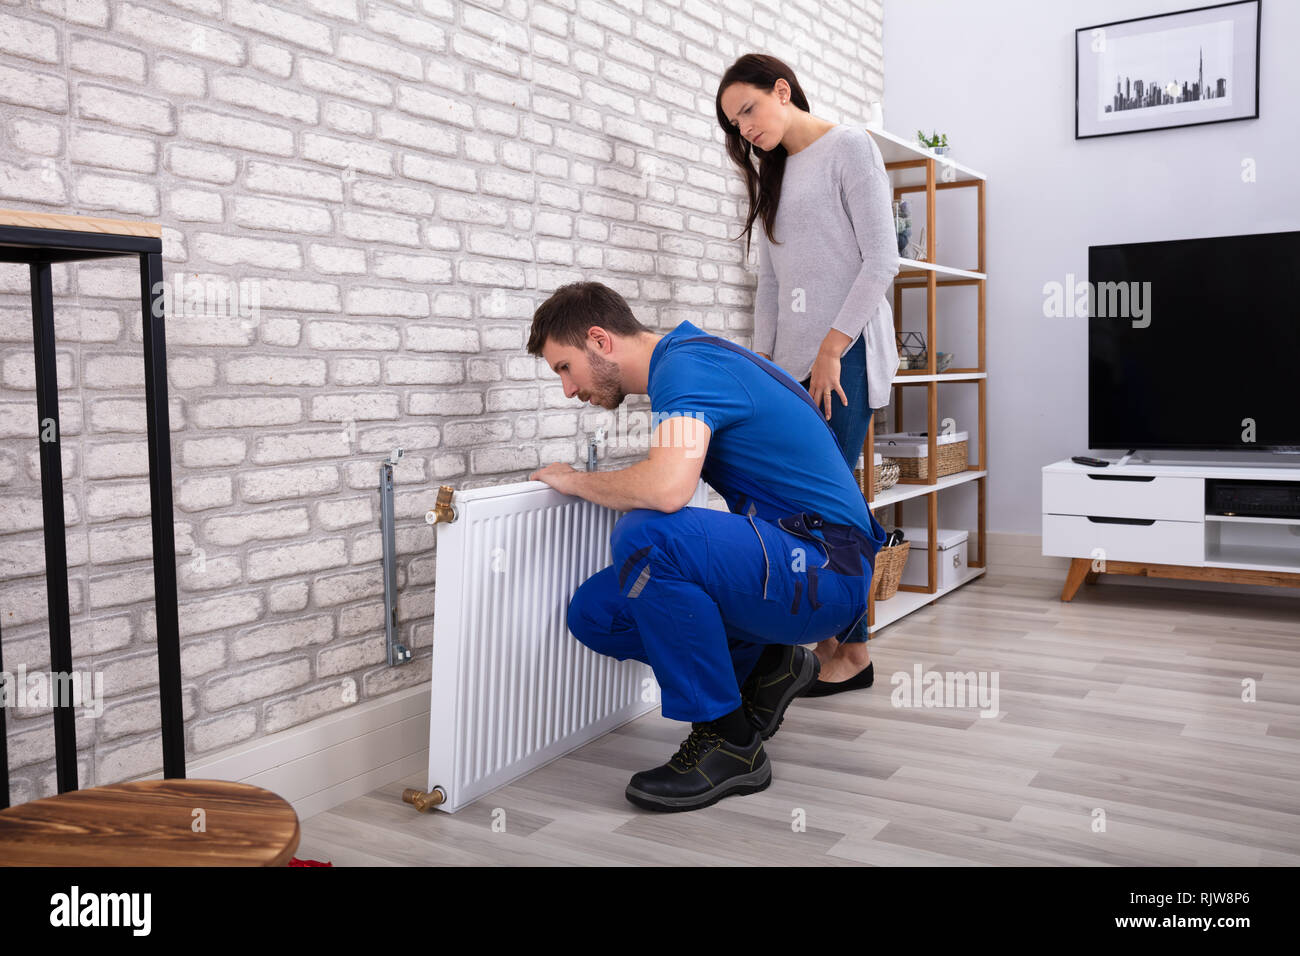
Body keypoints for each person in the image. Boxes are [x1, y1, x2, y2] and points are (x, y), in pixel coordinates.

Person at [527, 281, 888, 813]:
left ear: (599, 341)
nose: (567, 389)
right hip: (806, 562)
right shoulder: (691, 360)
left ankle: (729, 742)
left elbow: (666, 490)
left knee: (647, 536)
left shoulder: (685, 369)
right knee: (596, 613)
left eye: (563, 368)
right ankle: (772, 665)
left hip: (827, 570)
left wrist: (576, 481)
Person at [716, 53, 900, 696]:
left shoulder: (850, 147)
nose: (745, 129)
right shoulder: (775, 173)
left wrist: (829, 348)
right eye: (733, 123)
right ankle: (826, 646)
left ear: (782, 90)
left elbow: (882, 261)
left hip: (840, 358)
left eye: (749, 110)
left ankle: (849, 654)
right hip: (788, 369)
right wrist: (759, 369)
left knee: (830, 509)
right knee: (796, 508)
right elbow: (771, 283)